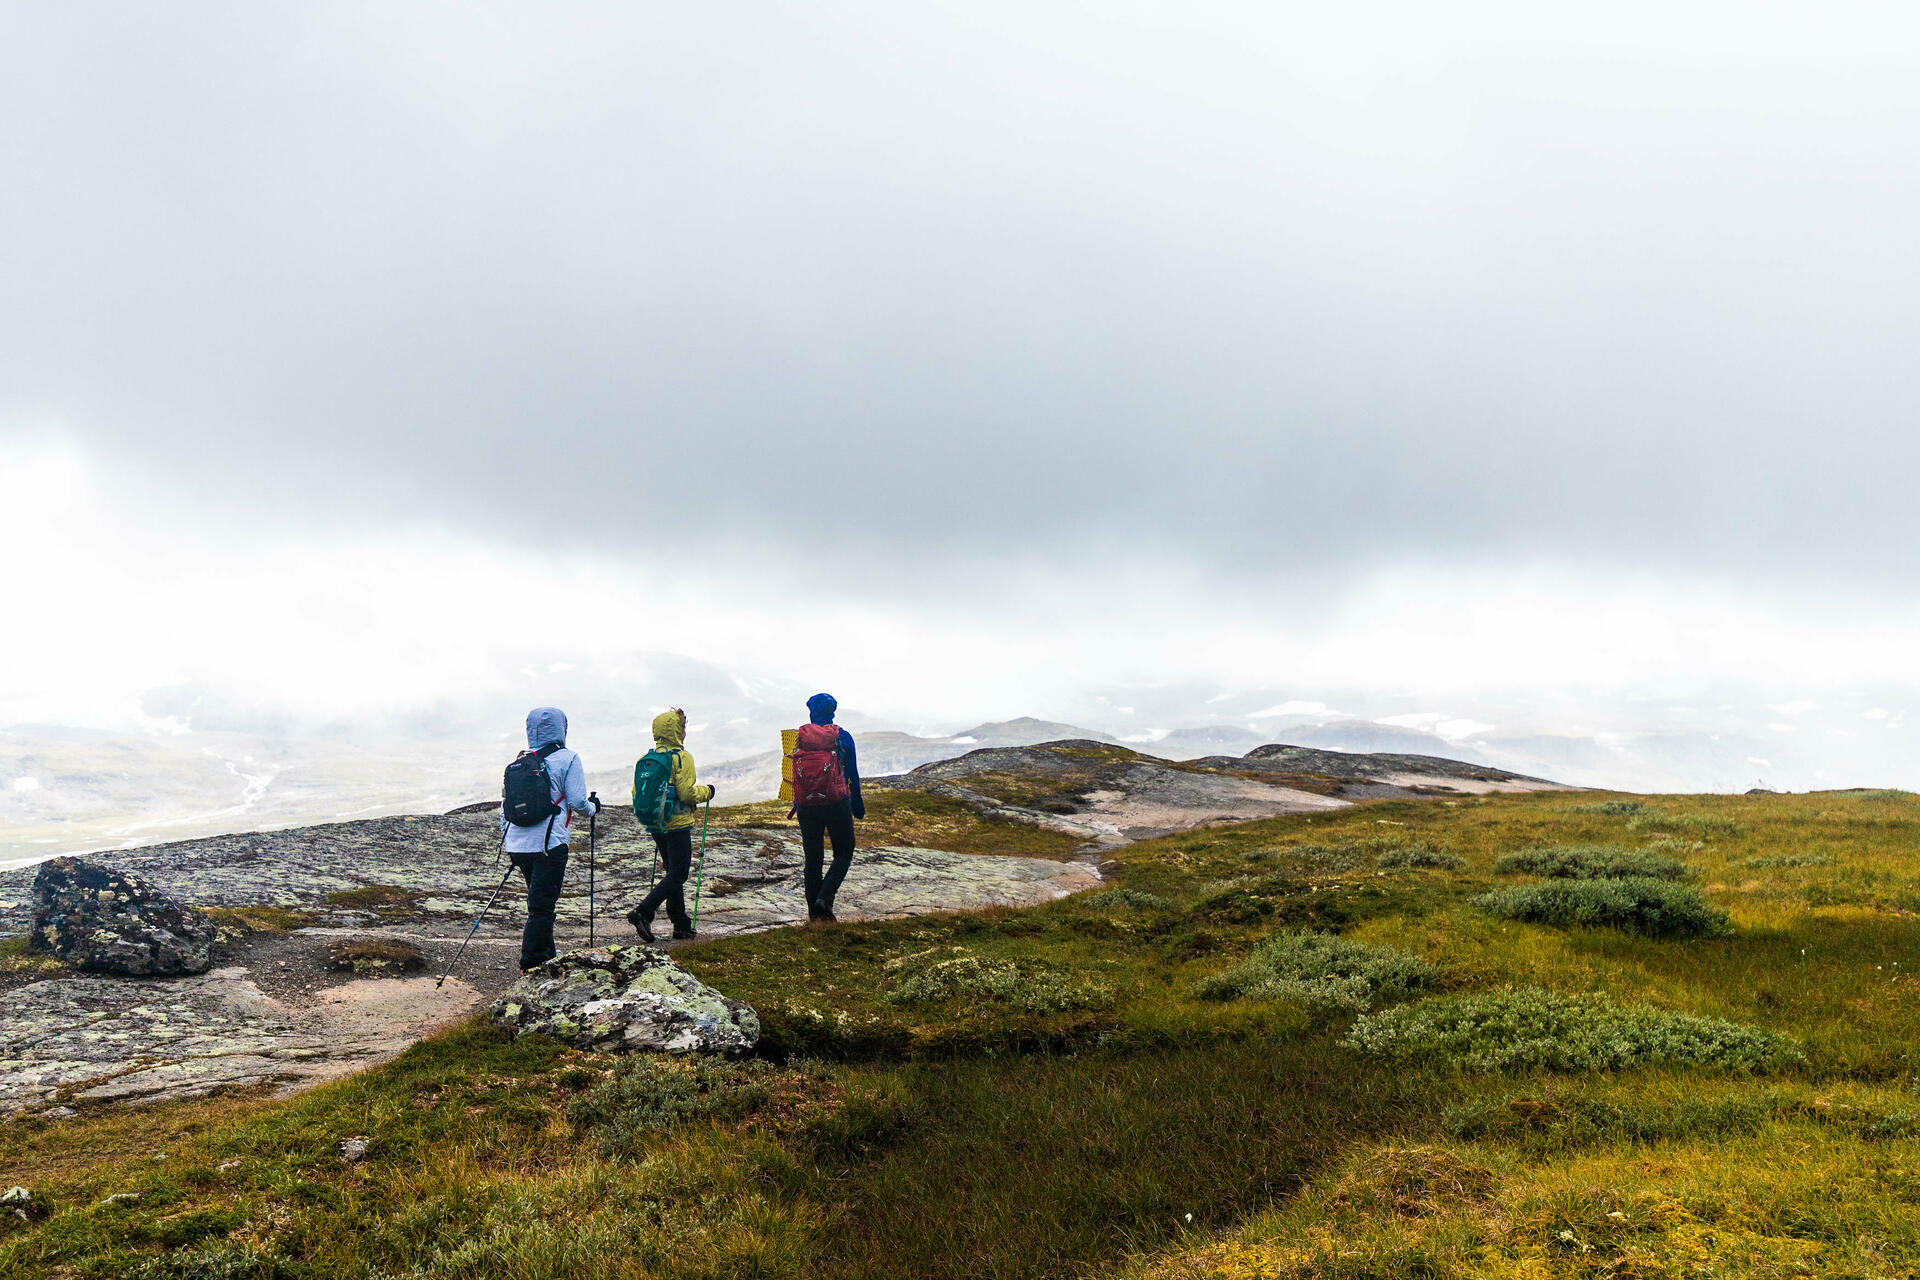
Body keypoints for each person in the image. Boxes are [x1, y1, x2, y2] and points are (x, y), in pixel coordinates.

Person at [501, 707, 599, 972]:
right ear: (561, 728)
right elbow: (578, 801)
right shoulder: (568, 758)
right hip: (549, 844)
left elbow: (505, 806)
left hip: (518, 844)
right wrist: (593, 808)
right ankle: (532, 962)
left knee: (539, 901)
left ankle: (548, 953)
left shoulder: (521, 760)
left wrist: (510, 840)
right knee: (542, 906)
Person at [628, 708, 716, 943]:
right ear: (676, 731)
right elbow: (687, 794)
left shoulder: (646, 759)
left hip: (655, 823)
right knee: (679, 873)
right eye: (682, 727)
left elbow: (636, 792)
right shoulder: (681, 757)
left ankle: (681, 925)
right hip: (678, 823)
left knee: (672, 873)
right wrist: (708, 792)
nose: (685, 732)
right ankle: (644, 911)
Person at [791, 692, 863, 922]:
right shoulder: (842, 737)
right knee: (844, 853)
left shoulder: (798, 738)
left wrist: (797, 802)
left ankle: (815, 917)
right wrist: (857, 805)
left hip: (806, 806)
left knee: (813, 860)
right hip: (836, 803)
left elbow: (790, 773)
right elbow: (853, 774)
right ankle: (825, 899)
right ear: (832, 712)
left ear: (812, 712)